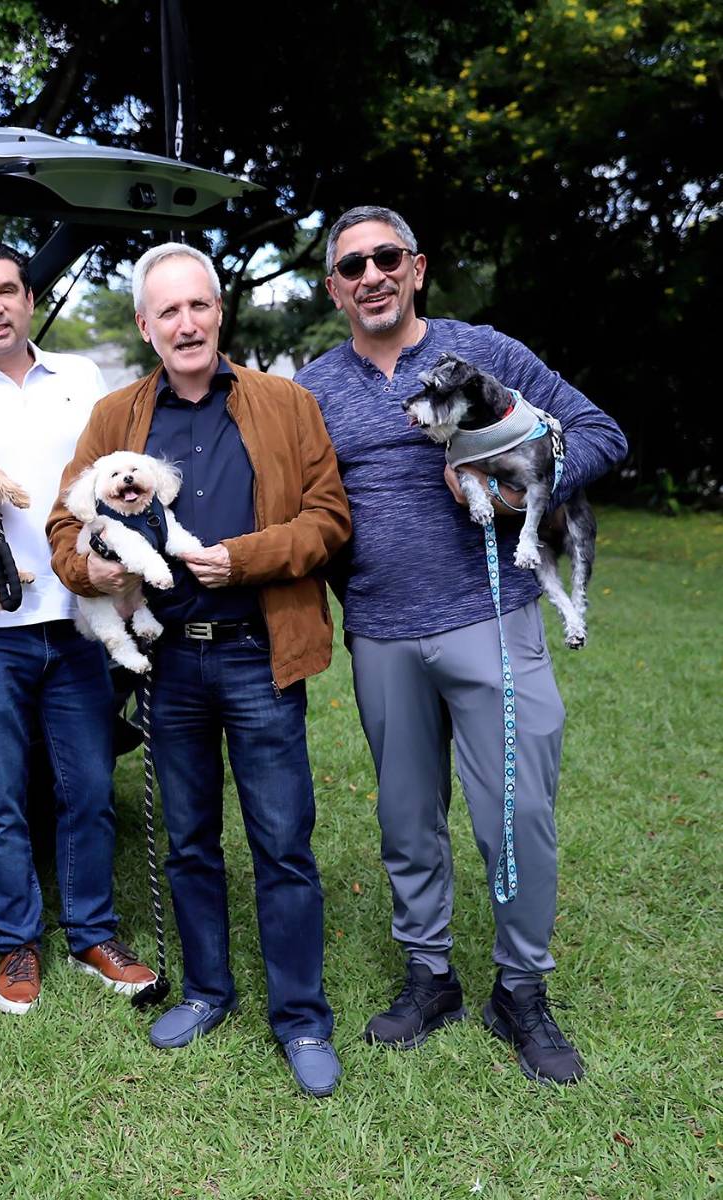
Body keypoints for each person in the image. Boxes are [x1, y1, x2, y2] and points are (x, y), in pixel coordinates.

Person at [295, 206, 627, 1085]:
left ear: (416, 268)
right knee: (407, 822)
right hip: (380, 634)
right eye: (351, 265)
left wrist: (521, 489)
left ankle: (519, 990)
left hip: (491, 616)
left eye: (385, 258)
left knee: (515, 814)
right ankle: (429, 976)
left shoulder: (486, 354)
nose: (370, 274)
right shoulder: (311, 387)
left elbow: (598, 432)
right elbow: (295, 503)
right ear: (333, 287)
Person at [48, 243, 351, 1096]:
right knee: (187, 843)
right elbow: (65, 529)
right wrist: (95, 573)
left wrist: (245, 558)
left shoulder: (284, 404)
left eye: (198, 306)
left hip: (259, 654)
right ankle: (210, 992)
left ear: (220, 314)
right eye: (166, 311)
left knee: (282, 844)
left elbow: (329, 518)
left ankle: (299, 1018)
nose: (185, 323)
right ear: (145, 326)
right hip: (167, 665)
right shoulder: (116, 416)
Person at [0, 237, 157, 1016]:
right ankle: (16, 946)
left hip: (79, 619)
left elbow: (116, 482)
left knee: (86, 789)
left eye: (6, 290)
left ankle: (91, 934)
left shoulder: (81, 377)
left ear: (28, 299)